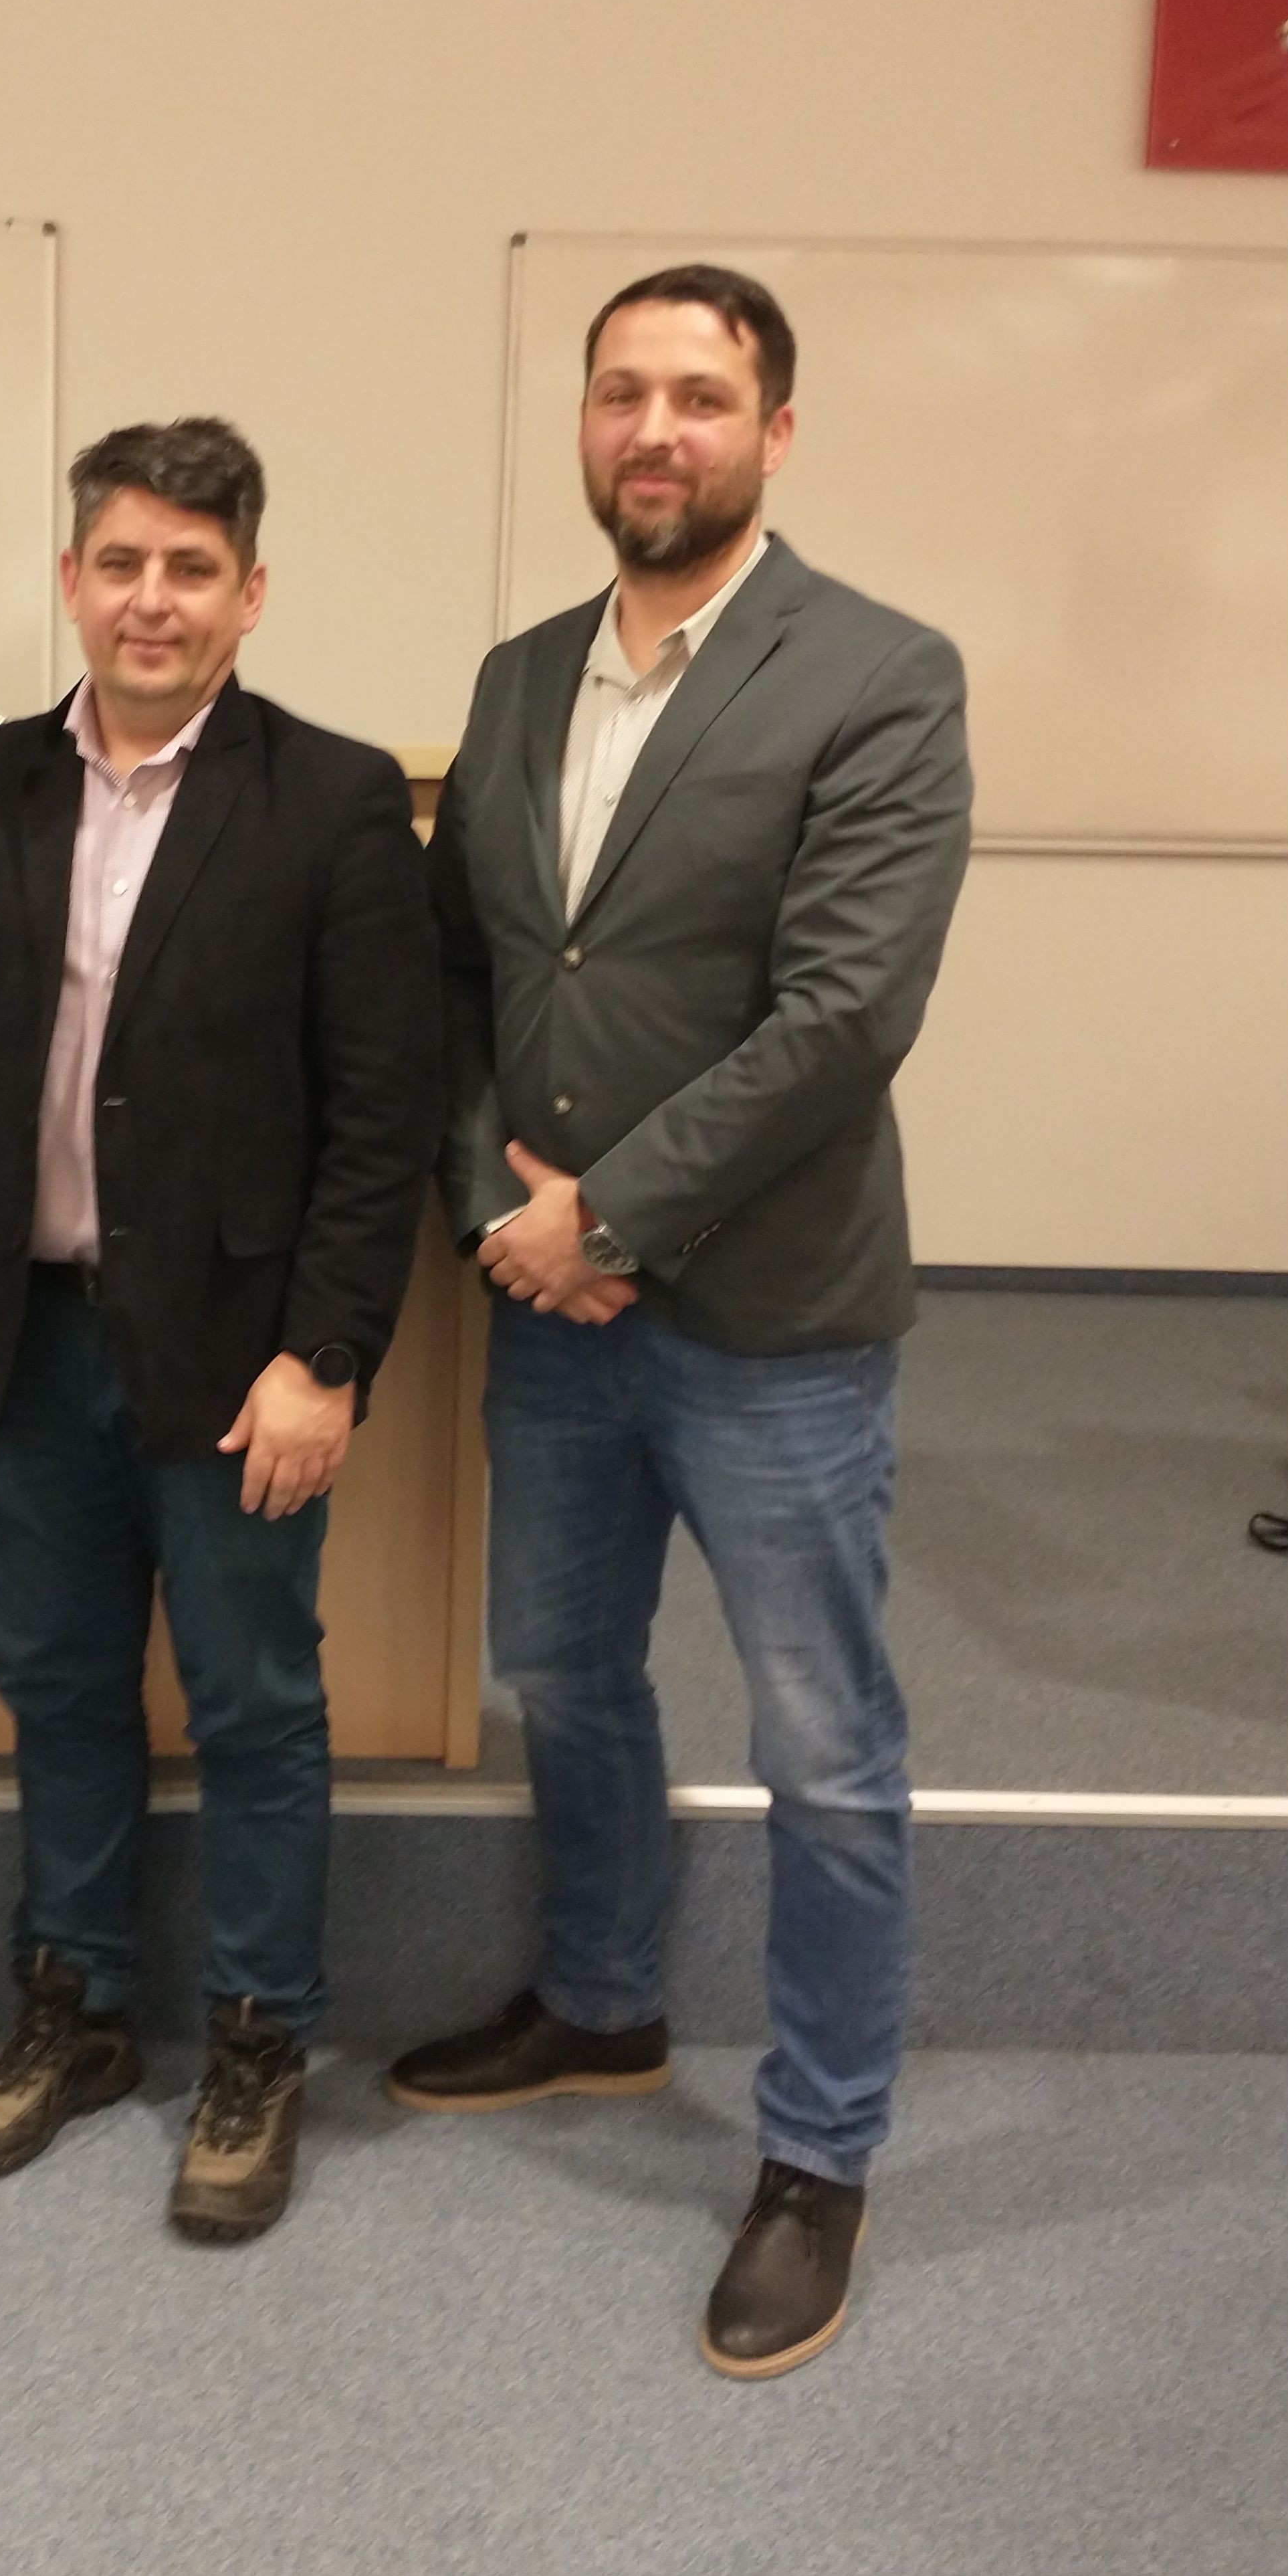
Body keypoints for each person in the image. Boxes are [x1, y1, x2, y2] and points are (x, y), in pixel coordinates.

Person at [387, 268, 970, 2377]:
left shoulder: (882, 675)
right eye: (623, 390)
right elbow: (469, 976)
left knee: (825, 1744)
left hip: (772, 1321)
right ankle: (605, 2003)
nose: (657, 428)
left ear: (774, 432)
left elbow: (845, 1012)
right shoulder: (519, 676)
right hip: (547, 1305)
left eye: (703, 396)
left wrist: (609, 1216)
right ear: (583, 423)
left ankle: (818, 2152)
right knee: (564, 1669)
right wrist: (501, 1212)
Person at [0, 419, 441, 2243]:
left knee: (256, 1702)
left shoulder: (334, 801)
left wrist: (327, 1357)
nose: (152, 599)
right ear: (71, 580)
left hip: (239, 1361)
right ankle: (79, 2007)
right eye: (120, 562)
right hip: (26, 1339)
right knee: (58, 1685)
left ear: (250, 596)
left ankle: (260, 2041)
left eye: (192, 569)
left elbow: (380, 1117)